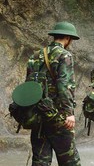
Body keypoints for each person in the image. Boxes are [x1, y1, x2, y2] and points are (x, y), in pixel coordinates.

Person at [28, 21, 81, 166]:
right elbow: (64, 86)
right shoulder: (64, 55)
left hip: (38, 115)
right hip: (58, 116)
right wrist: (69, 112)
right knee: (70, 160)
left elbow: (28, 86)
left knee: (40, 161)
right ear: (68, 38)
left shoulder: (35, 55)